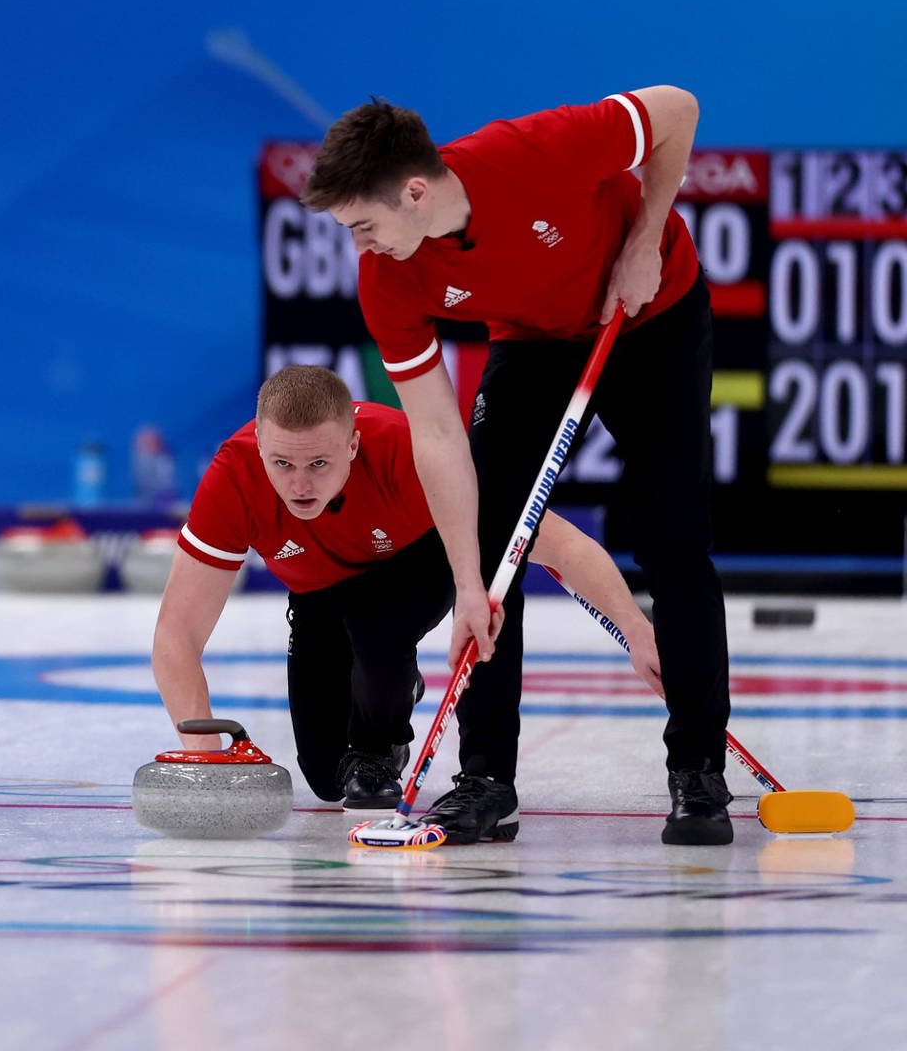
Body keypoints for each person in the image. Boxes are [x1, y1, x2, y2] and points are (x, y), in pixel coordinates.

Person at [301, 88, 732, 845]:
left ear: (414, 191)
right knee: (497, 549)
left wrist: (644, 241)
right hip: (535, 340)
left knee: (672, 537)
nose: (360, 246)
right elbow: (435, 433)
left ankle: (697, 770)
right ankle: (487, 780)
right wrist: (468, 584)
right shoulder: (389, 277)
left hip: (651, 309)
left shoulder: (530, 152)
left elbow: (678, 109)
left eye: (363, 225)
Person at [152, 365, 659, 815]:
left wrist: (638, 630)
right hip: (319, 592)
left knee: (377, 629)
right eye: (282, 464)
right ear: (259, 445)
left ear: (352, 445)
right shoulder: (233, 478)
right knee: (328, 779)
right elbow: (177, 634)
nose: (299, 486)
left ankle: (380, 747)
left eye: (319, 465)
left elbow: (560, 545)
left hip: (416, 565)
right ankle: (397, 686)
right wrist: (205, 757)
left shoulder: (409, 454)